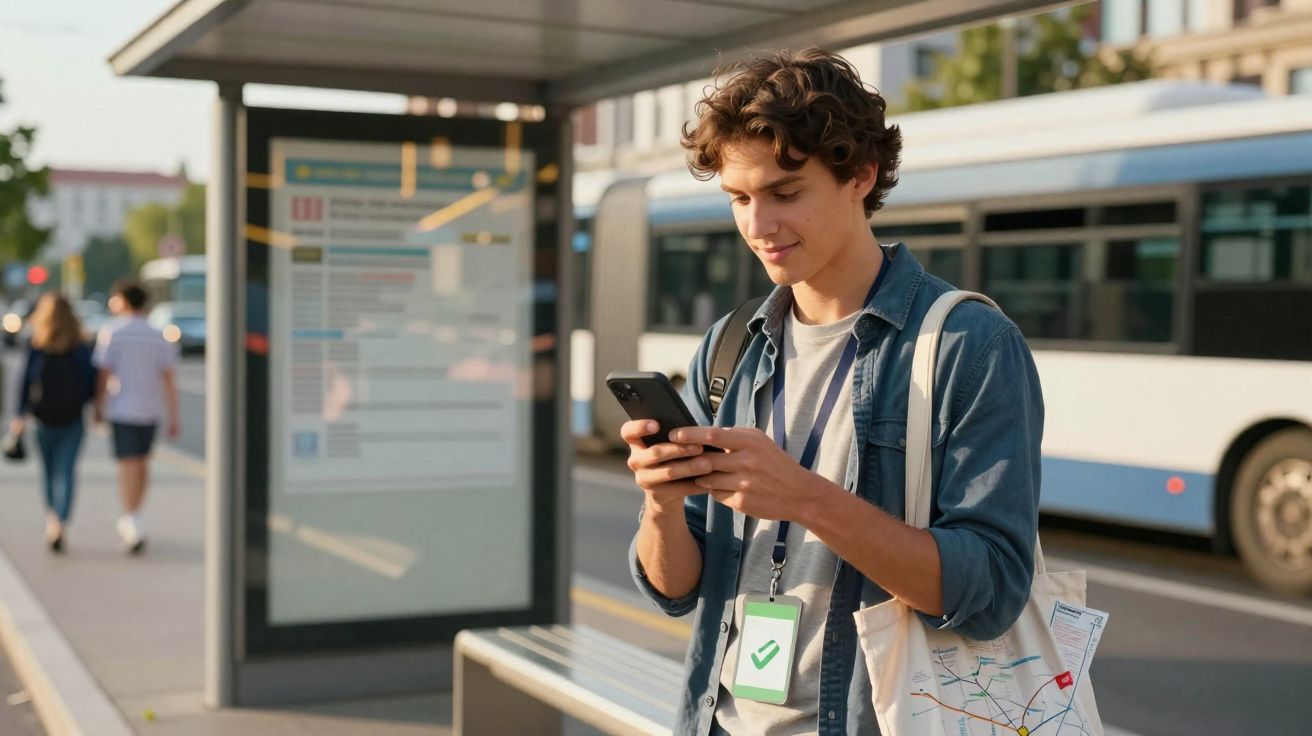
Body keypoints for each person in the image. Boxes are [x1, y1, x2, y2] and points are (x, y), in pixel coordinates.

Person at [623, 49, 1044, 735]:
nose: (758, 226)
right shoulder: (730, 346)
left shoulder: (969, 345)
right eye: (739, 198)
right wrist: (661, 505)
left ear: (860, 175)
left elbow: (991, 591)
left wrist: (804, 498)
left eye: (785, 193)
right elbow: (676, 590)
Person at [92, 280, 180, 555]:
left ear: (124, 301)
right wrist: (174, 415)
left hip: (122, 408)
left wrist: (98, 406)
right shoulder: (158, 334)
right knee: (141, 463)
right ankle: (135, 514)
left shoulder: (112, 332)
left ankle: (131, 517)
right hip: (150, 408)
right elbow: (169, 379)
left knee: (128, 464)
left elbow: (103, 373)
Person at [9, 293, 97, 552]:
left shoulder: (37, 343)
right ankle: (61, 520)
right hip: (72, 418)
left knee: (48, 472)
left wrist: (19, 416)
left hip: (42, 419)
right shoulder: (81, 345)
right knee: (66, 471)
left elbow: (25, 382)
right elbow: (89, 383)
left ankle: (51, 519)